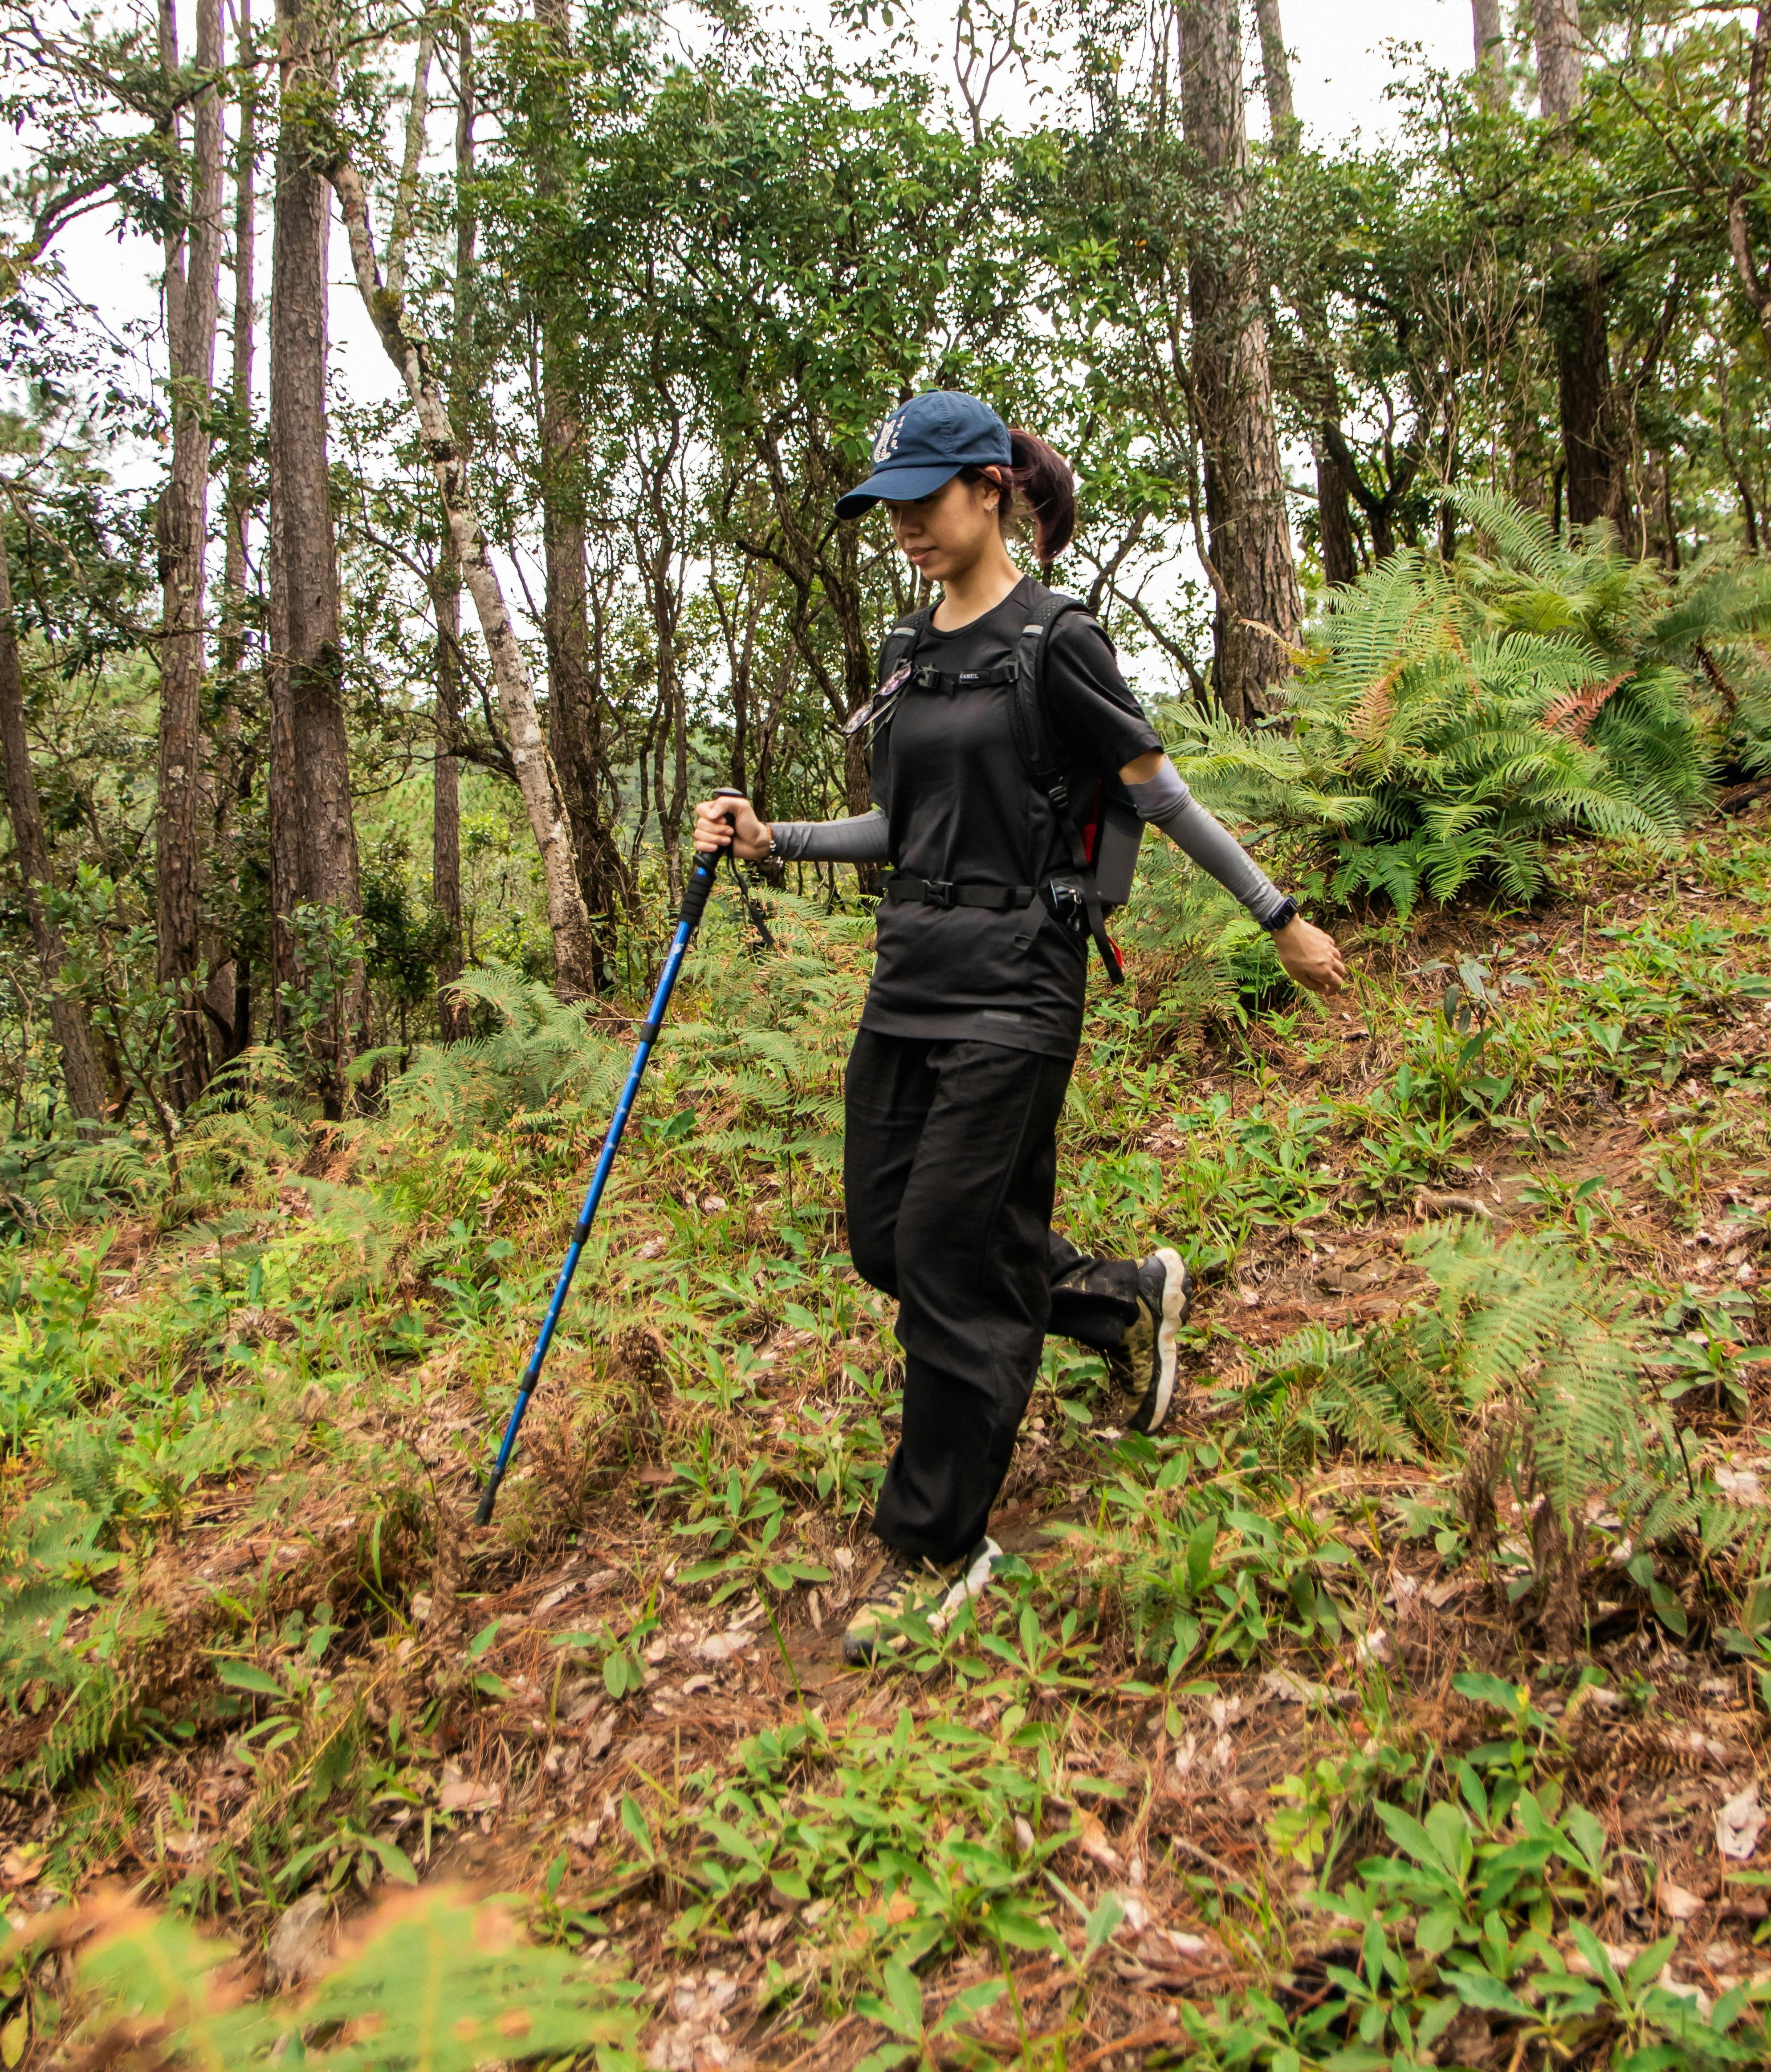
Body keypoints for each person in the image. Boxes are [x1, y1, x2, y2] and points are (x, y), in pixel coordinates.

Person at [694, 391, 1347, 1667]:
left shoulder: (1057, 642)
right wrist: (780, 842)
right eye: (888, 509)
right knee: (888, 1239)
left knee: (943, 1250)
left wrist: (1277, 916)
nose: (904, 531)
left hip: (1019, 980)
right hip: (911, 971)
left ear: (990, 490)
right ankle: (1119, 1300)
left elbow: (1156, 795)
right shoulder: (908, 653)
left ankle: (938, 1545)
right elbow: (906, 829)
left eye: (924, 504)